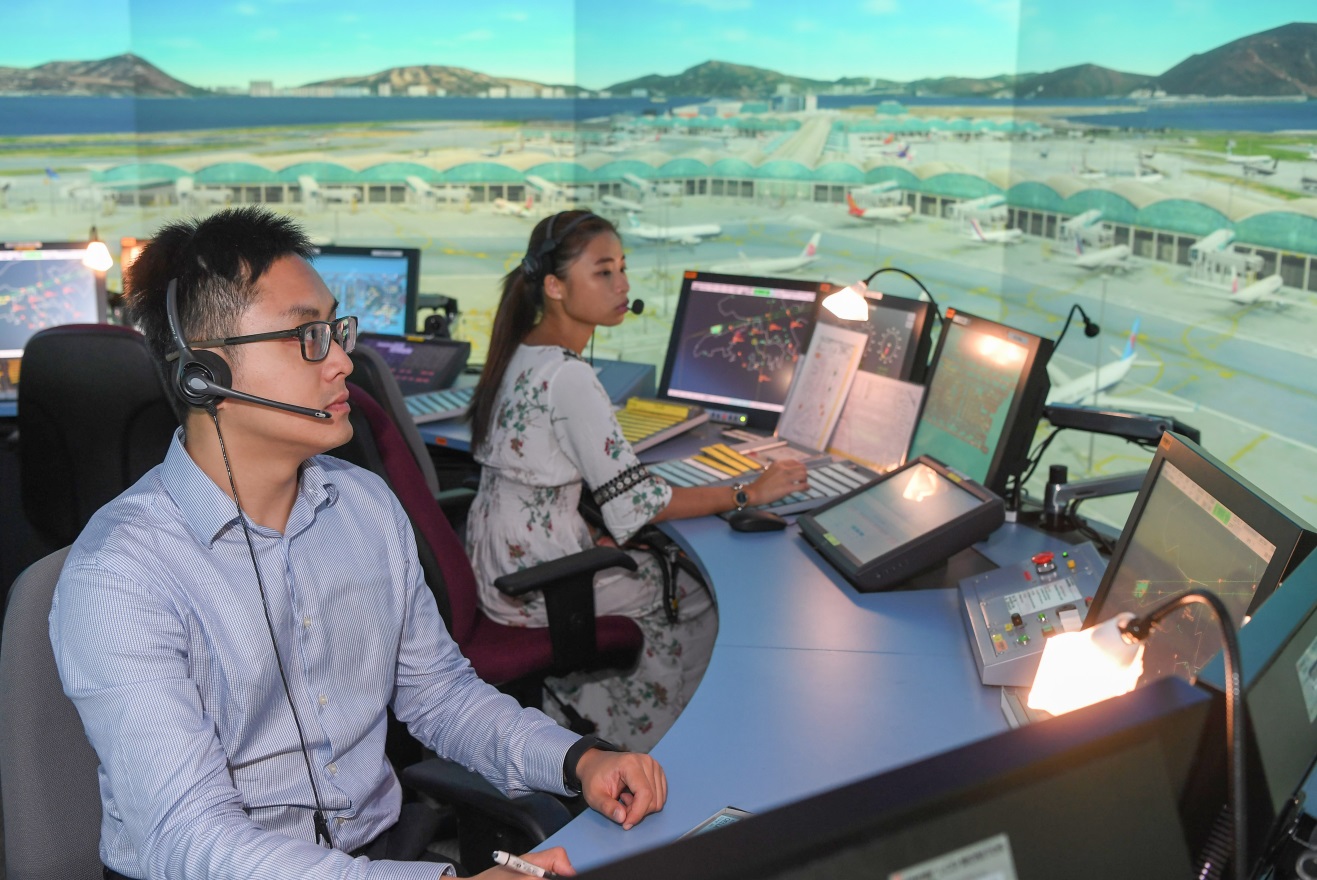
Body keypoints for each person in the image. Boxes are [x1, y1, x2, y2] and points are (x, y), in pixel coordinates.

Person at [50, 207, 665, 880]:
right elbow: (188, 839)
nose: (343, 360)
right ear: (205, 373)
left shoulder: (364, 506)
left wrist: (575, 760)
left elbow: (440, 696)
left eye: (336, 330)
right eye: (308, 336)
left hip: (378, 854)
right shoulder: (122, 574)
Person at [466, 210, 808, 752]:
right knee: (696, 594)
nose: (624, 285)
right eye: (604, 272)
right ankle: (650, 743)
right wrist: (750, 491)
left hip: (500, 564)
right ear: (555, 286)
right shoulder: (570, 377)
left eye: (623, 268)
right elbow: (640, 505)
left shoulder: (520, 350)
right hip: (538, 582)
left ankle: (579, 718)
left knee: (654, 563)